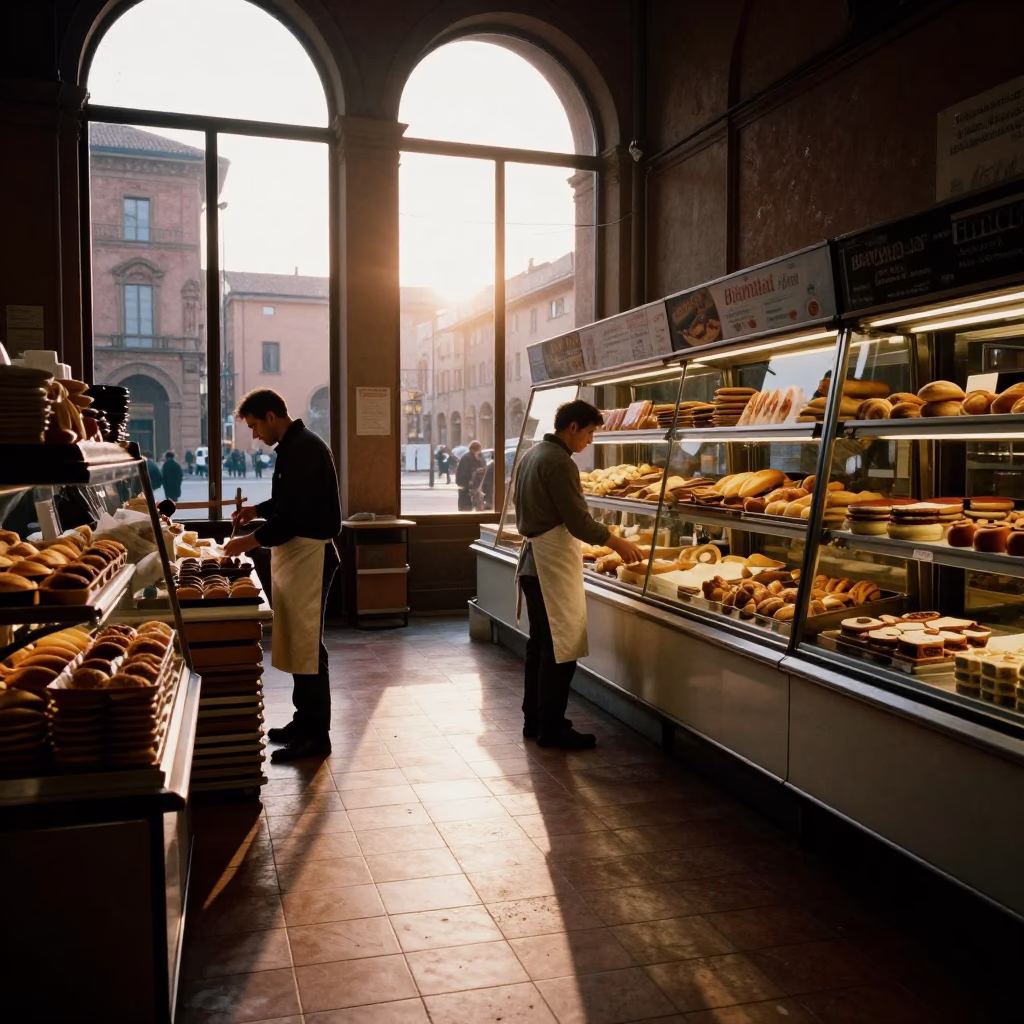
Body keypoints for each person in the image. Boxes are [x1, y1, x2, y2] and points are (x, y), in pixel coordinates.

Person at [514, 400, 643, 749]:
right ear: (572, 428)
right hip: (549, 564)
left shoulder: (532, 454)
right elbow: (578, 522)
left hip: (533, 563)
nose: (589, 441)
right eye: (588, 433)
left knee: (540, 644)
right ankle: (552, 728)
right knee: (561, 648)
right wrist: (615, 541)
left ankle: (535, 720)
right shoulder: (559, 462)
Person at [225, 389, 341, 762]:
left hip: (310, 555)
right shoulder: (294, 447)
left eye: (256, 425)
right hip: (297, 555)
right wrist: (257, 509)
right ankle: (302, 720)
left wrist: (250, 541)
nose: (255, 434)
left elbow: (295, 516)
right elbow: (289, 502)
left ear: (272, 415)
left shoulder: (303, 448)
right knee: (296, 642)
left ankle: (315, 736)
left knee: (308, 647)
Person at [455, 440, 486, 511]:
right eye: (476, 450)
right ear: (471, 449)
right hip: (466, 490)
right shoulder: (465, 458)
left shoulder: (481, 458)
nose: (478, 452)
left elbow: (485, 469)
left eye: (479, 450)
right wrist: (475, 472)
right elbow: (461, 475)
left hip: (478, 490)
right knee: (466, 510)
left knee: (478, 510)